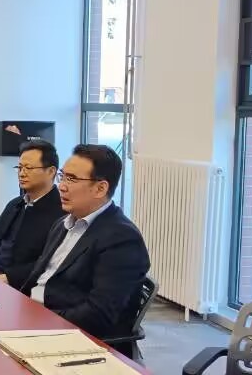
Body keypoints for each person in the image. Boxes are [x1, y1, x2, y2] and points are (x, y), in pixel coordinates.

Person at [20, 144, 150, 354]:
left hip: (70, 338)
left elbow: (98, 315)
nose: (61, 186)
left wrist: (41, 323)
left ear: (100, 189)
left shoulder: (122, 239)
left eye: (71, 179)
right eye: (62, 176)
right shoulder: (63, 224)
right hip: (32, 316)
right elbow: (40, 278)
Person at [0, 140, 65, 289]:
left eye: (29, 168)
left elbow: (52, 262)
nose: (22, 173)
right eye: (19, 168)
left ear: (51, 171)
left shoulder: (62, 212)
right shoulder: (15, 204)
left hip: (11, 284)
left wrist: (10, 277)